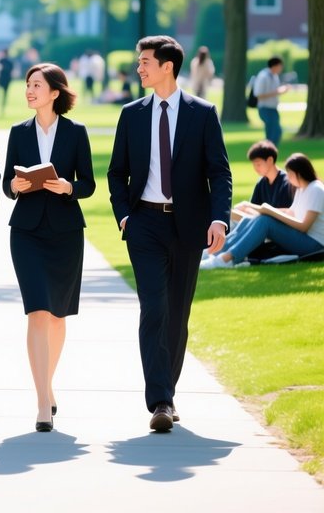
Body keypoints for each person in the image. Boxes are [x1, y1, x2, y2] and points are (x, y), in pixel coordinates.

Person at [107, 34, 231, 433]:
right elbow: (116, 172)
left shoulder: (202, 113)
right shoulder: (132, 114)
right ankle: (159, 400)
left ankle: (168, 392)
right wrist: (125, 217)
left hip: (189, 226)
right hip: (144, 224)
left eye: (145, 62)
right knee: (154, 308)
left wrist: (219, 219)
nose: (139, 68)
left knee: (177, 312)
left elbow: (219, 172)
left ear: (167, 66)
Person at [3, 63, 95, 432]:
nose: (29, 90)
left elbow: (88, 183)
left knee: (58, 315)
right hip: (26, 233)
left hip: (65, 234)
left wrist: (68, 187)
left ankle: (47, 384)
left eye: (36, 85)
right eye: (28, 84)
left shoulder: (76, 132)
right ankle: (43, 401)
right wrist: (16, 186)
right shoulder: (18, 132)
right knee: (37, 311)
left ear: (55, 92)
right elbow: (7, 184)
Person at [201, 153, 324, 268]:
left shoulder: (316, 189)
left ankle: (226, 259)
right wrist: (263, 210)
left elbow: (304, 227)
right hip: (302, 238)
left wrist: (269, 212)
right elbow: (291, 212)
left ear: (300, 173)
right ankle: (214, 251)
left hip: (313, 244)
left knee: (265, 221)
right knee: (250, 219)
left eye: (290, 174)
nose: (289, 178)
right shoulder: (302, 189)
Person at [231, 140, 294, 223]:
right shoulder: (261, 182)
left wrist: (249, 208)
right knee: (232, 214)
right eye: (254, 165)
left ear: (270, 160)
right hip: (261, 222)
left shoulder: (287, 182)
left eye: (258, 164)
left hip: (278, 225)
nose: (255, 168)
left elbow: (287, 212)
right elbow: (253, 206)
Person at [253, 56, 288, 146]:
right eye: (280, 66)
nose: (281, 69)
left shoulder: (274, 76)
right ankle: (269, 150)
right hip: (265, 108)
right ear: (275, 66)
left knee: (274, 132)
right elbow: (258, 95)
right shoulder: (263, 77)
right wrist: (277, 92)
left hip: (273, 108)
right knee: (274, 132)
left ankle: (270, 150)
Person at [0, 48, 14, 113]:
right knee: (4, 92)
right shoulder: (10, 61)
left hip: (2, 78)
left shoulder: (2, 60)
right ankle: (2, 101)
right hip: (7, 79)